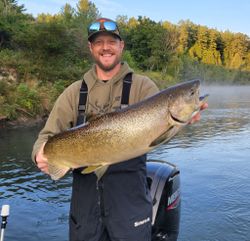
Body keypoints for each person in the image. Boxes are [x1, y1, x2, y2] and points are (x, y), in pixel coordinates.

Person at [32, 18, 207, 241]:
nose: (106, 47)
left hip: (131, 212)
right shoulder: (73, 93)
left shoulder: (144, 87)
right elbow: (44, 139)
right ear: (91, 48)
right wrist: (40, 155)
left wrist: (186, 119)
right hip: (84, 216)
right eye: (99, 42)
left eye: (111, 42)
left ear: (121, 46)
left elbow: (158, 137)